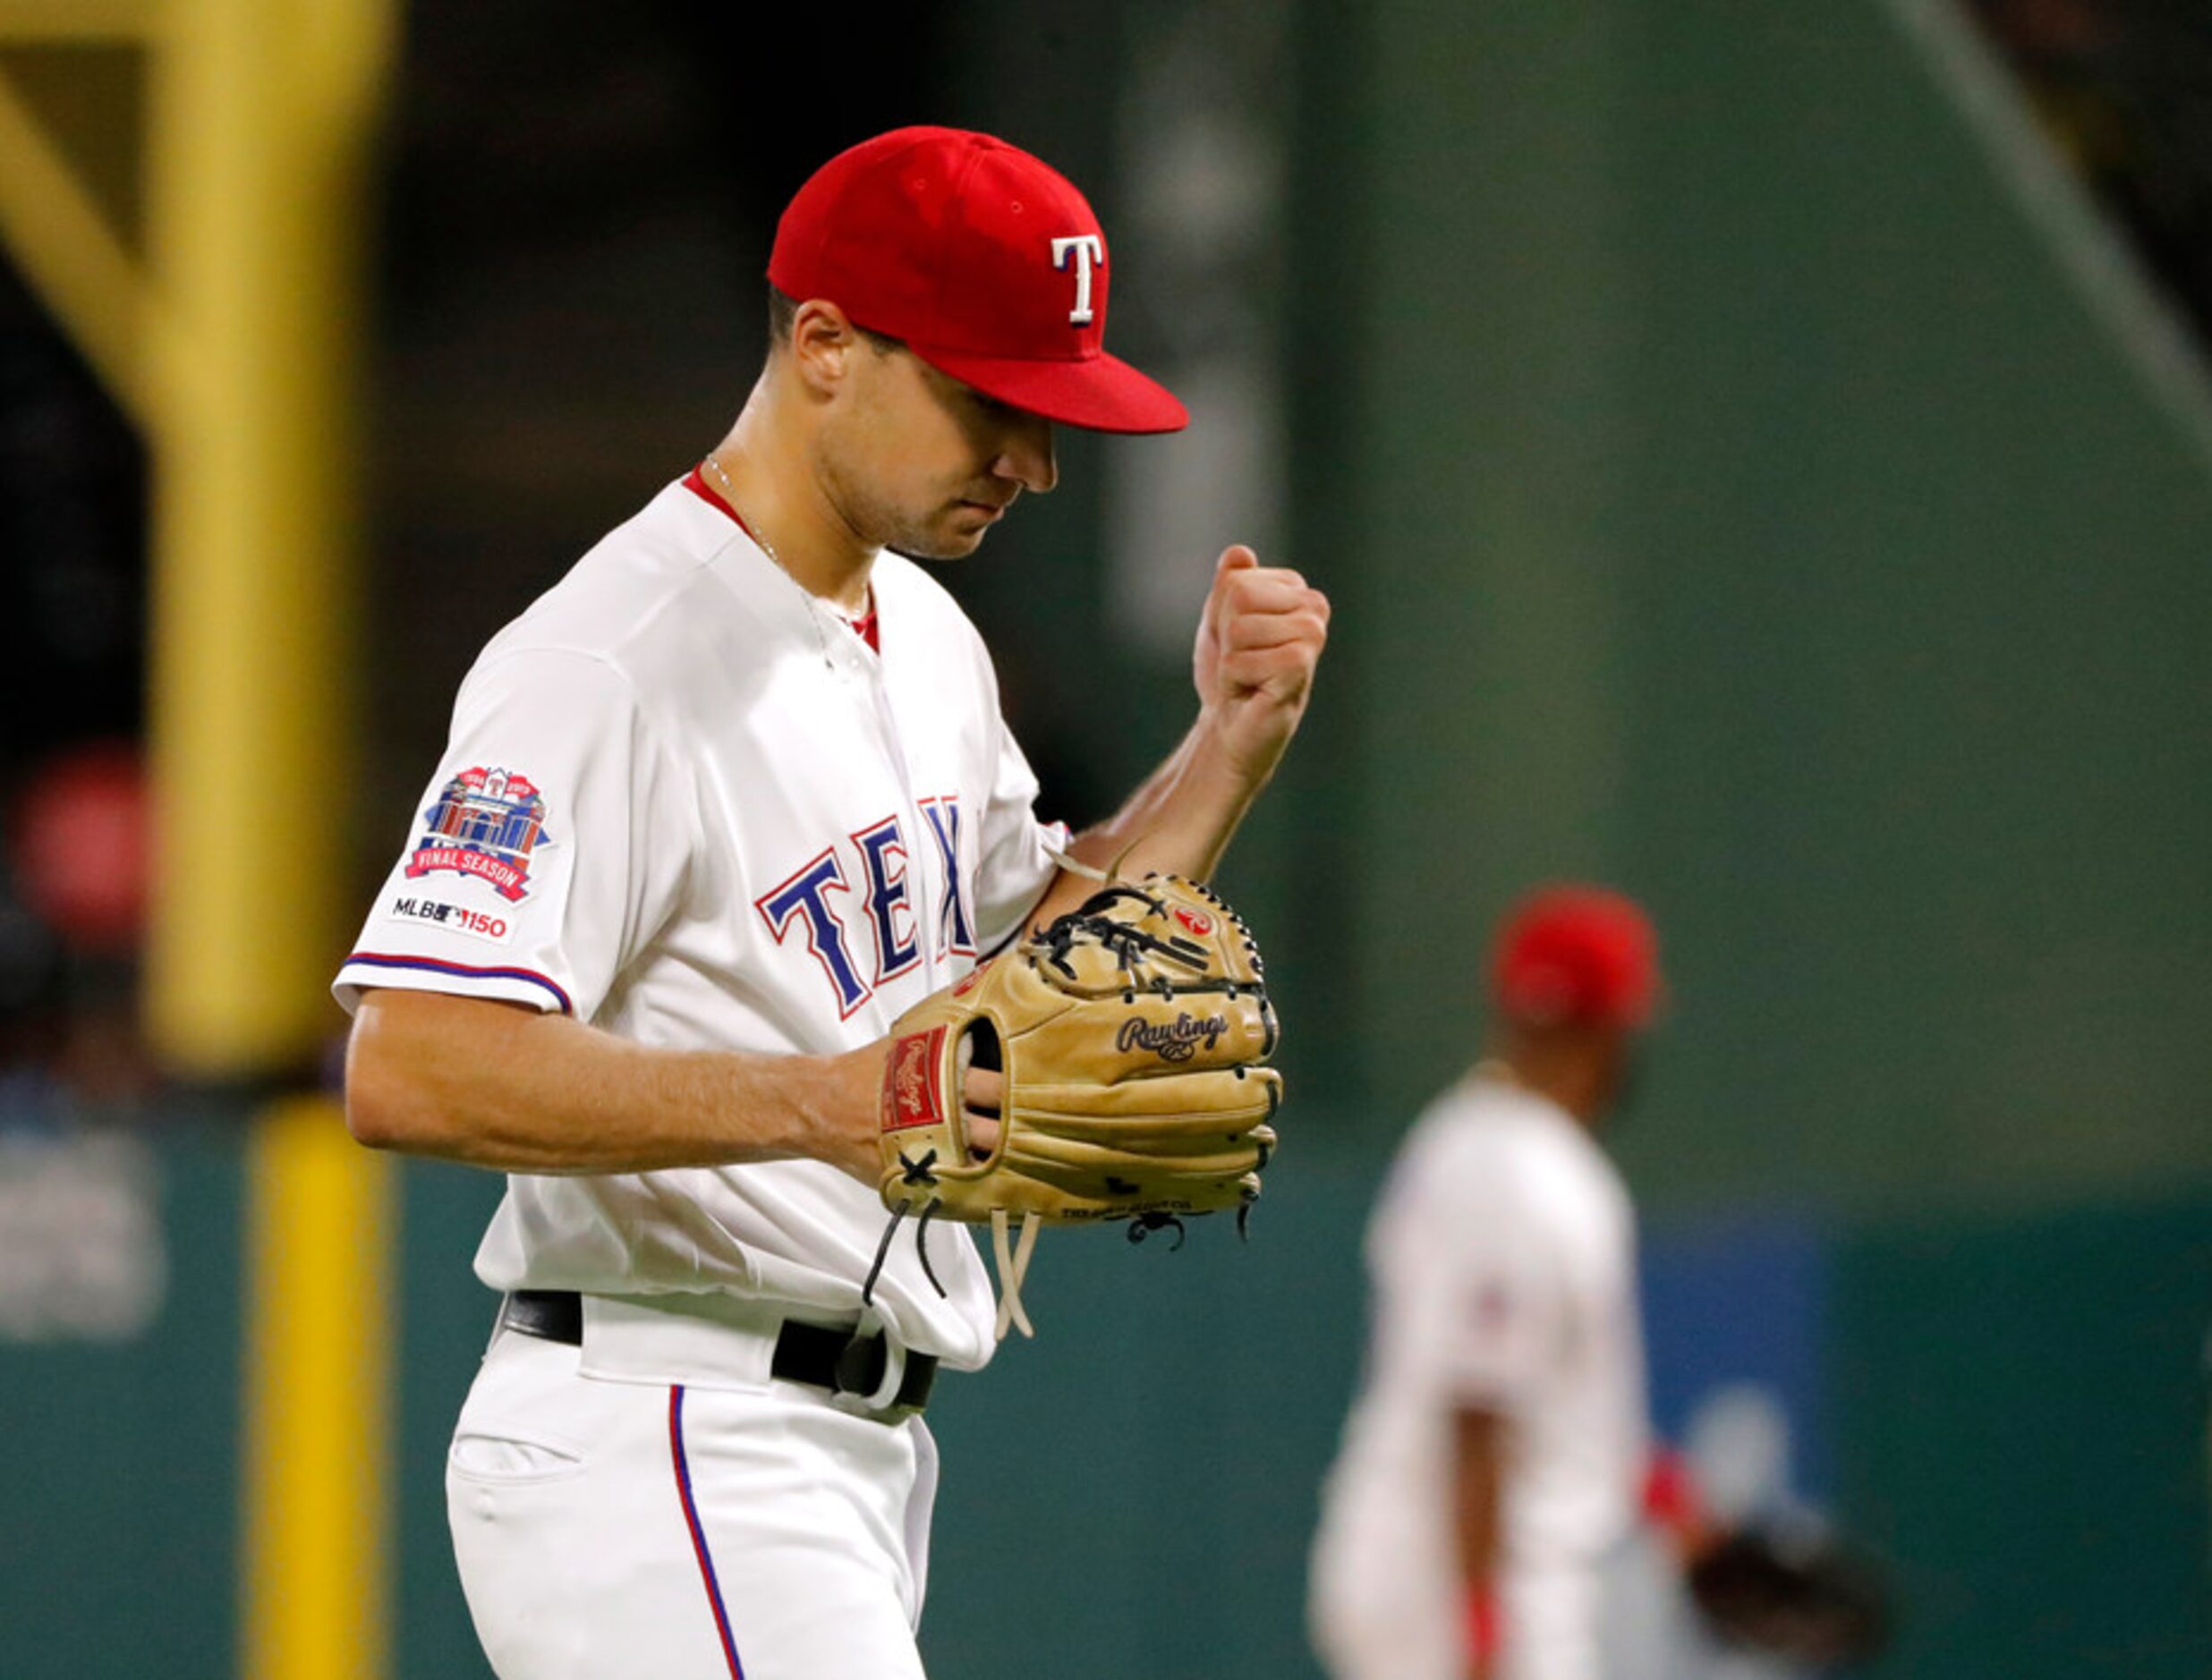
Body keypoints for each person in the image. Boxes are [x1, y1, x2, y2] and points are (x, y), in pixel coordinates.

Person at [336, 125, 1329, 1678]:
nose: (1033, 459)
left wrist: (1222, 754)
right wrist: (826, 1101)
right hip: (664, 1423)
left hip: (837, 1451)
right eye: (988, 401)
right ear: (822, 346)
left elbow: (1019, 994)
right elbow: (410, 1059)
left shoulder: (926, 637)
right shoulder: (607, 660)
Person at [1309, 886, 1667, 1680]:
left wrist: (1684, 1521)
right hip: (1465, 1588)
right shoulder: (1525, 1169)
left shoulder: (1465, 1138)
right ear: (1610, 1031)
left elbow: (1549, 1413)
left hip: (1437, 1575)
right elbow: (1478, 1413)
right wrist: (1479, 1634)